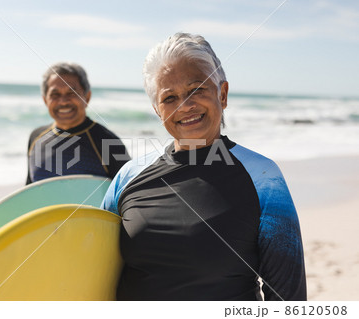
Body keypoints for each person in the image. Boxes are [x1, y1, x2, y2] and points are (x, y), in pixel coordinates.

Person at [101, 33, 306, 301]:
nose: (185, 106)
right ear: (156, 109)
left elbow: (287, 296)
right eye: (169, 98)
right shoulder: (129, 175)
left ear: (222, 94)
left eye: (197, 89)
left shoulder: (264, 178)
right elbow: (96, 267)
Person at [26, 62, 130, 184]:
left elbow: (130, 195)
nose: (63, 101)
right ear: (45, 100)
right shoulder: (36, 137)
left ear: (87, 97)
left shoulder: (108, 142)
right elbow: (28, 191)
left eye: (71, 93)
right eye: (55, 94)